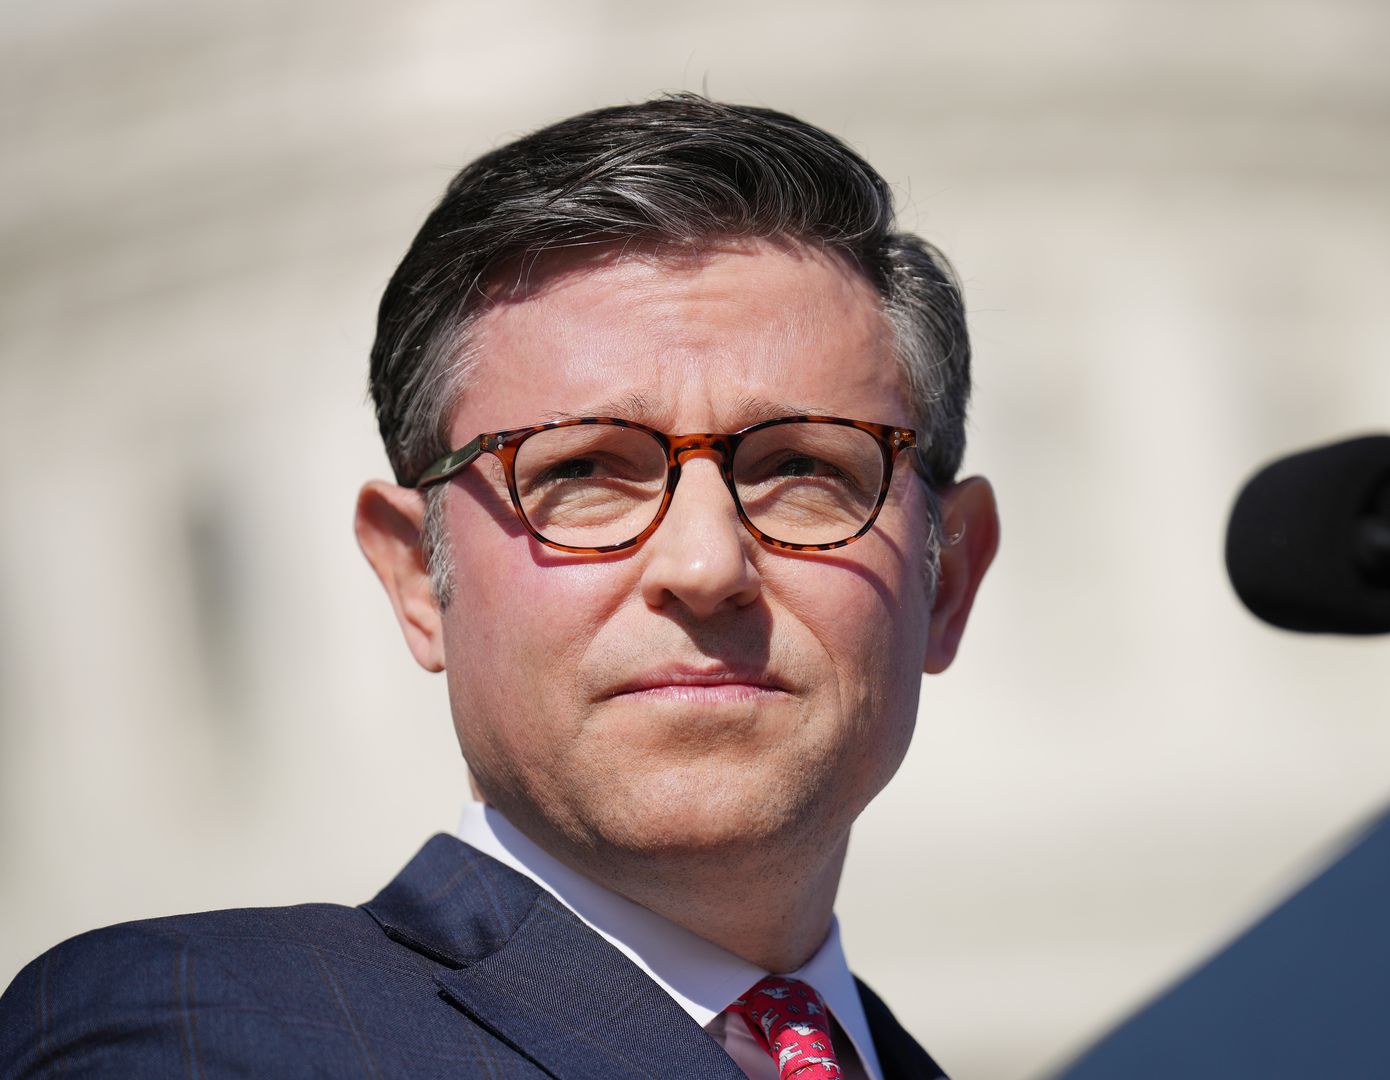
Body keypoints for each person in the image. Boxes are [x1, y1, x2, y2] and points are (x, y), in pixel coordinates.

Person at [0, 95, 999, 1079]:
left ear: (947, 580)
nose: (705, 567)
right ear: (416, 579)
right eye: (582, 473)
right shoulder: (201, 1036)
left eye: (805, 471)